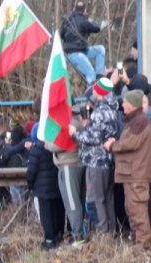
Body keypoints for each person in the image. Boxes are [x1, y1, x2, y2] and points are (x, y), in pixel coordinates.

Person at [70, 78, 120, 235]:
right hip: (109, 162)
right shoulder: (113, 110)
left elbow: (93, 138)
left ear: (100, 92)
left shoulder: (99, 113)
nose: (93, 92)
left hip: (96, 162)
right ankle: (111, 233)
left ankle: (102, 234)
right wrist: (88, 127)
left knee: (95, 200)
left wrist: (75, 134)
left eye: (96, 90)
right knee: (108, 199)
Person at [104, 90, 151, 248]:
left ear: (131, 105)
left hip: (136, 174)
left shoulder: (140, 122)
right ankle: (138, 240)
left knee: (137, 210)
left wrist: (112, 145)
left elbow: (130, 143)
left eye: (125, 102)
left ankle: (143, 243)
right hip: (131, 173)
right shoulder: (136, 121)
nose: (122, 104)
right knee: (132, 208)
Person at [48, 106, 86, 246]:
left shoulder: (71, 123)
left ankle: (77, 236)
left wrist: (48, 144)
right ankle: (77, 234)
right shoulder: (78, 120)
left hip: (70, 165)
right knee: (75, 202)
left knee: (72, 203)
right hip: (72, 164)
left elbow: (57, 144)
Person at [27, 124, 66, 250]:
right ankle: (59, 234)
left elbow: (31, 171)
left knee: (46, 215)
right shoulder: (54, 146)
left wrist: (30, 185)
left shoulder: (36, 150)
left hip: (42, 189)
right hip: (57, 185)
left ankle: (49, 240)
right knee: (58, 211)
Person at [60, 1, 106, 86]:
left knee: (100, 49)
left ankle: (99, 76)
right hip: (77, 54)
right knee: (91, 73)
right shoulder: (84, 20)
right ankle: (91, 95)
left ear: (74, 9)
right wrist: (99, 23)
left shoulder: (67, 20)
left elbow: (61, 35)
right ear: (84, 11)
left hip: (73, 53)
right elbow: (96, 29)